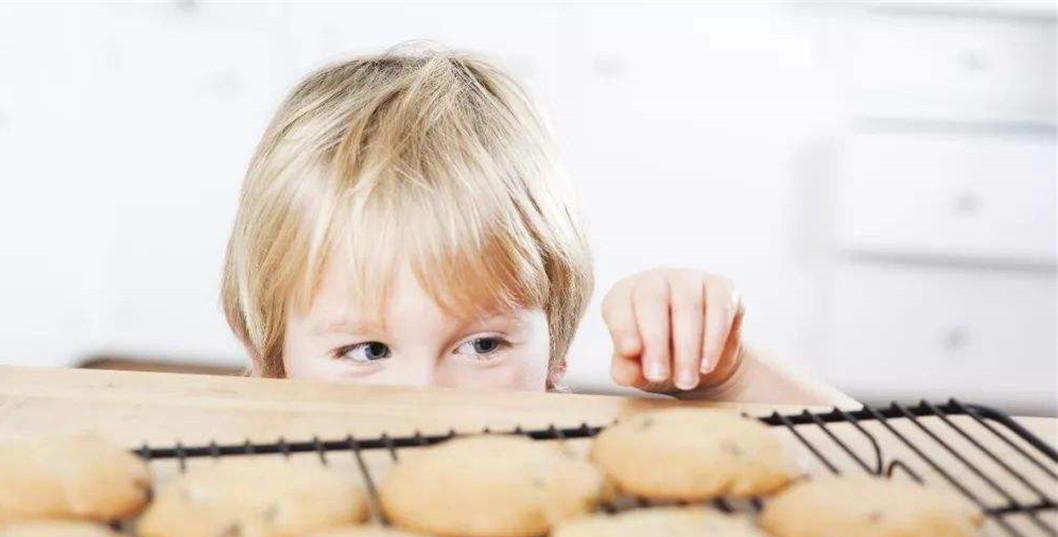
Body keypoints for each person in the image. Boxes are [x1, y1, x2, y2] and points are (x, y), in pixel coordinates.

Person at [221, 46, 850, 406]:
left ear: (555, 344)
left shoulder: (565, 451)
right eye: (368, 351)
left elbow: (868, 462)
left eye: (484, 346)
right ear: (272, 360)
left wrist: (731, 377)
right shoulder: (253, 476)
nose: (429, 399)